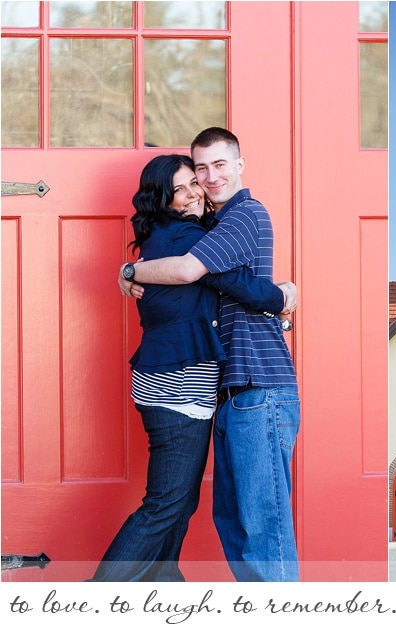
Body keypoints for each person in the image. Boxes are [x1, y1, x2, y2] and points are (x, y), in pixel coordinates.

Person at [91, 154, 287, 582]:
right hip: (176, 391)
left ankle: (163, 581)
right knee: (165, 503)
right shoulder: (180, 237)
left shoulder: (175, 234)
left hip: (181, 389)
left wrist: (128, 270)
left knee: (178, 502)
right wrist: (281, 295)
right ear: (162, 199)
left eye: (192, 184)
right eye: (178, 189)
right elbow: (229, 281)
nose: (193, 193)